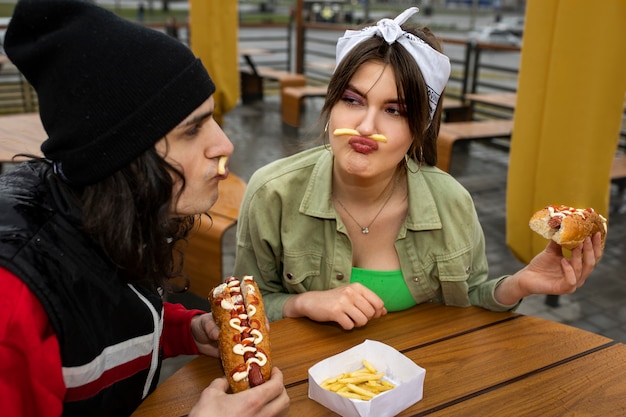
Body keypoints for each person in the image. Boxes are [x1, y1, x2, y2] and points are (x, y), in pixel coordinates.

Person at [232, 7, 604, 330]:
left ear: (420, 128)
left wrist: (521, 284)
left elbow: (471, 298)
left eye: (394, 110)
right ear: (331, 105)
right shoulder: (271, 194)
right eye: (352, 100)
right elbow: (246, 310)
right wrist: (302, 304)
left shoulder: (452, 203)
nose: (365, 127)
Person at [0, 1, 289, 416]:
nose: (226, 145)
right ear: (122, 157)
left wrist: (182, 330)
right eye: (193, 129)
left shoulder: (104, 213)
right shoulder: (12, 306)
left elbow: (106, 313)